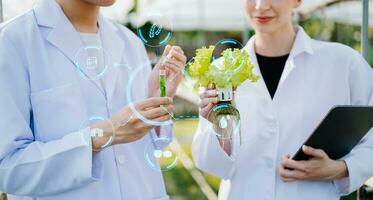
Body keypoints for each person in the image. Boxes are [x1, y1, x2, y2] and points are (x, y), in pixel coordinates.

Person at [0, 0, 186, 199]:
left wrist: (154, 102)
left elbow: (148, 148)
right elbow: (7, 168)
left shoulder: (130, 41)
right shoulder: (12, 41)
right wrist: (103, 135)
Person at [192, 0, 373, 199]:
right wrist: (222, 129)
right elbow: (212, 165)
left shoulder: (344, 63)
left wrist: (340, 168)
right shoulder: (220, 72)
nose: (260, 6)